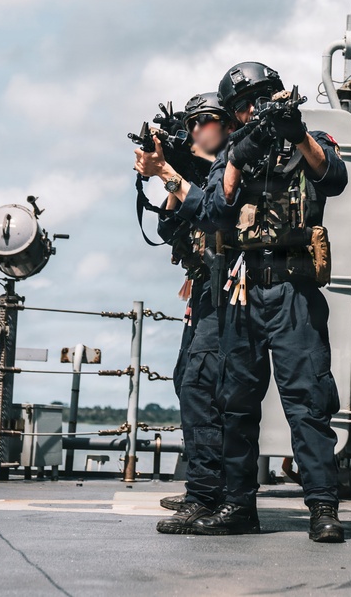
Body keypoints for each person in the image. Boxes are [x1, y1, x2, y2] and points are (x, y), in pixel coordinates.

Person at [177, 61, 348, 541]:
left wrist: (295, 134)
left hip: (293, 287)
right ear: (235, 113)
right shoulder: (232, 151)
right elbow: (212, 211)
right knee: (236, 401)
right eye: (246, 106)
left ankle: (322, 508)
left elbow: (332, 178)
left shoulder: (307, 141)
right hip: (243, 288)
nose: (257, 110)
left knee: (308, 399)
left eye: (263, 100)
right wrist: (238, 154)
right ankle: (238, 506)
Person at [134, 92, 238, 534]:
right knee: (186, 380)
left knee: (200, 385)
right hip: (202, 290)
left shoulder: (238, 161)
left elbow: (219, 215)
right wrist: (167, 172)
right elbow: (168, 226)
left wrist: (171, 172)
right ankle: (203, 485)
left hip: (228, 290)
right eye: (191, 123)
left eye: (205, 121)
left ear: (228, 123)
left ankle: (205, 494)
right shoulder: (200, 171)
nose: (196, 130)